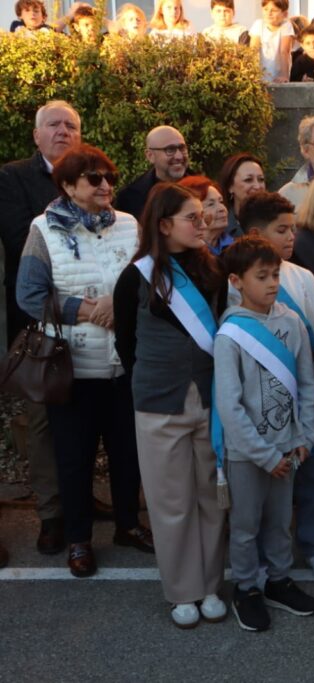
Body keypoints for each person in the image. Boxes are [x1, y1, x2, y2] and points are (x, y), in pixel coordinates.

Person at [17, 144, 153, 578]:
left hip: (123, 364)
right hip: (72, 367)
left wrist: (121, 306)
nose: (106, 185)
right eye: (94, 178)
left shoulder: (130, 225)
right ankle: (78, 539)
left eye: (109, 176)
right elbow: (30, 296)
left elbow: (150, 279)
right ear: (69, 185)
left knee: (127, 453)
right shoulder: (44, 229)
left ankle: (128, 525)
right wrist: (89, 310)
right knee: (73, 459)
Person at [112, 183, 227, 629]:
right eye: (192, 218)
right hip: (158, 403)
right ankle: (183, 590)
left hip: (208, 399)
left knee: (211, 499)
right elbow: (126, 342)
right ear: (164, 225)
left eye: (203, 215)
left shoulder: (212, 270)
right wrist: (151, 381)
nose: (203, 223)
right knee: (170, 501)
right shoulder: (134, 277)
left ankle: (211, 584)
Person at [214, 235, 314, 632]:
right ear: (236, 281)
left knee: (279, 521)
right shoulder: (230, 335)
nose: (273, 283)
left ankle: (278, 581)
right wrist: (265, 455)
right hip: (248, 453)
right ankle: (246, 588)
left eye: (275, 274)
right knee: (245, 525)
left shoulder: (292, 322)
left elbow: (308, 385)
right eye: (261, 276)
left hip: (288, 447)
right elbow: (230, 405)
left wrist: (304, 437)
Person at [236, 191, 314, 583]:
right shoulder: (234, 281)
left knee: (311, 473)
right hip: (255, 403)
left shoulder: (302, 277)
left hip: (304, 399)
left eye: (293, 228)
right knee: (263, 480)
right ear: (257, 233)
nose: (291, 237)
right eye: (282, 230)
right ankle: (263, 554)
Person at [0, 100, 81, 556]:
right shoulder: (12, 177)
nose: (63, 131)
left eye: (71, 125)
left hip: (89, 320)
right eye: (54, 124)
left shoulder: (93, 173)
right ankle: (52, 514)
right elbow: (19, 238)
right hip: (39, 321)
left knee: (85, 415)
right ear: (37, 135)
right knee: (45, 420)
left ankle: (81, 499)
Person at [115, 126, 192, 221]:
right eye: (170, 150)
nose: (179, 156)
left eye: (182, 148)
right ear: (150, 155)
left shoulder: (203, 189)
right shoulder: (130, 198)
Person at [178, 176, 233, 255]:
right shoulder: (186, 254)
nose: (222, 208)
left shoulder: (235, 247)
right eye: (211, 204)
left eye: (221, 202)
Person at [217, 152, 266, 238]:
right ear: (230, 186)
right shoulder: (220, 228)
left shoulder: (275, 221)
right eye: (248, 180)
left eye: (261, 180)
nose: (257, 186)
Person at [250, 0, 294, 84]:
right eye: (265, 9)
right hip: (260, 74)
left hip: (279, 75)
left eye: (274, 10)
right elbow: (253, 50)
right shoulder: (258, 24)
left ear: (285, 14)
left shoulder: (286, 25)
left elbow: (284, 51)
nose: (269, 13)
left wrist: (284, 75)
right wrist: (253, 74)